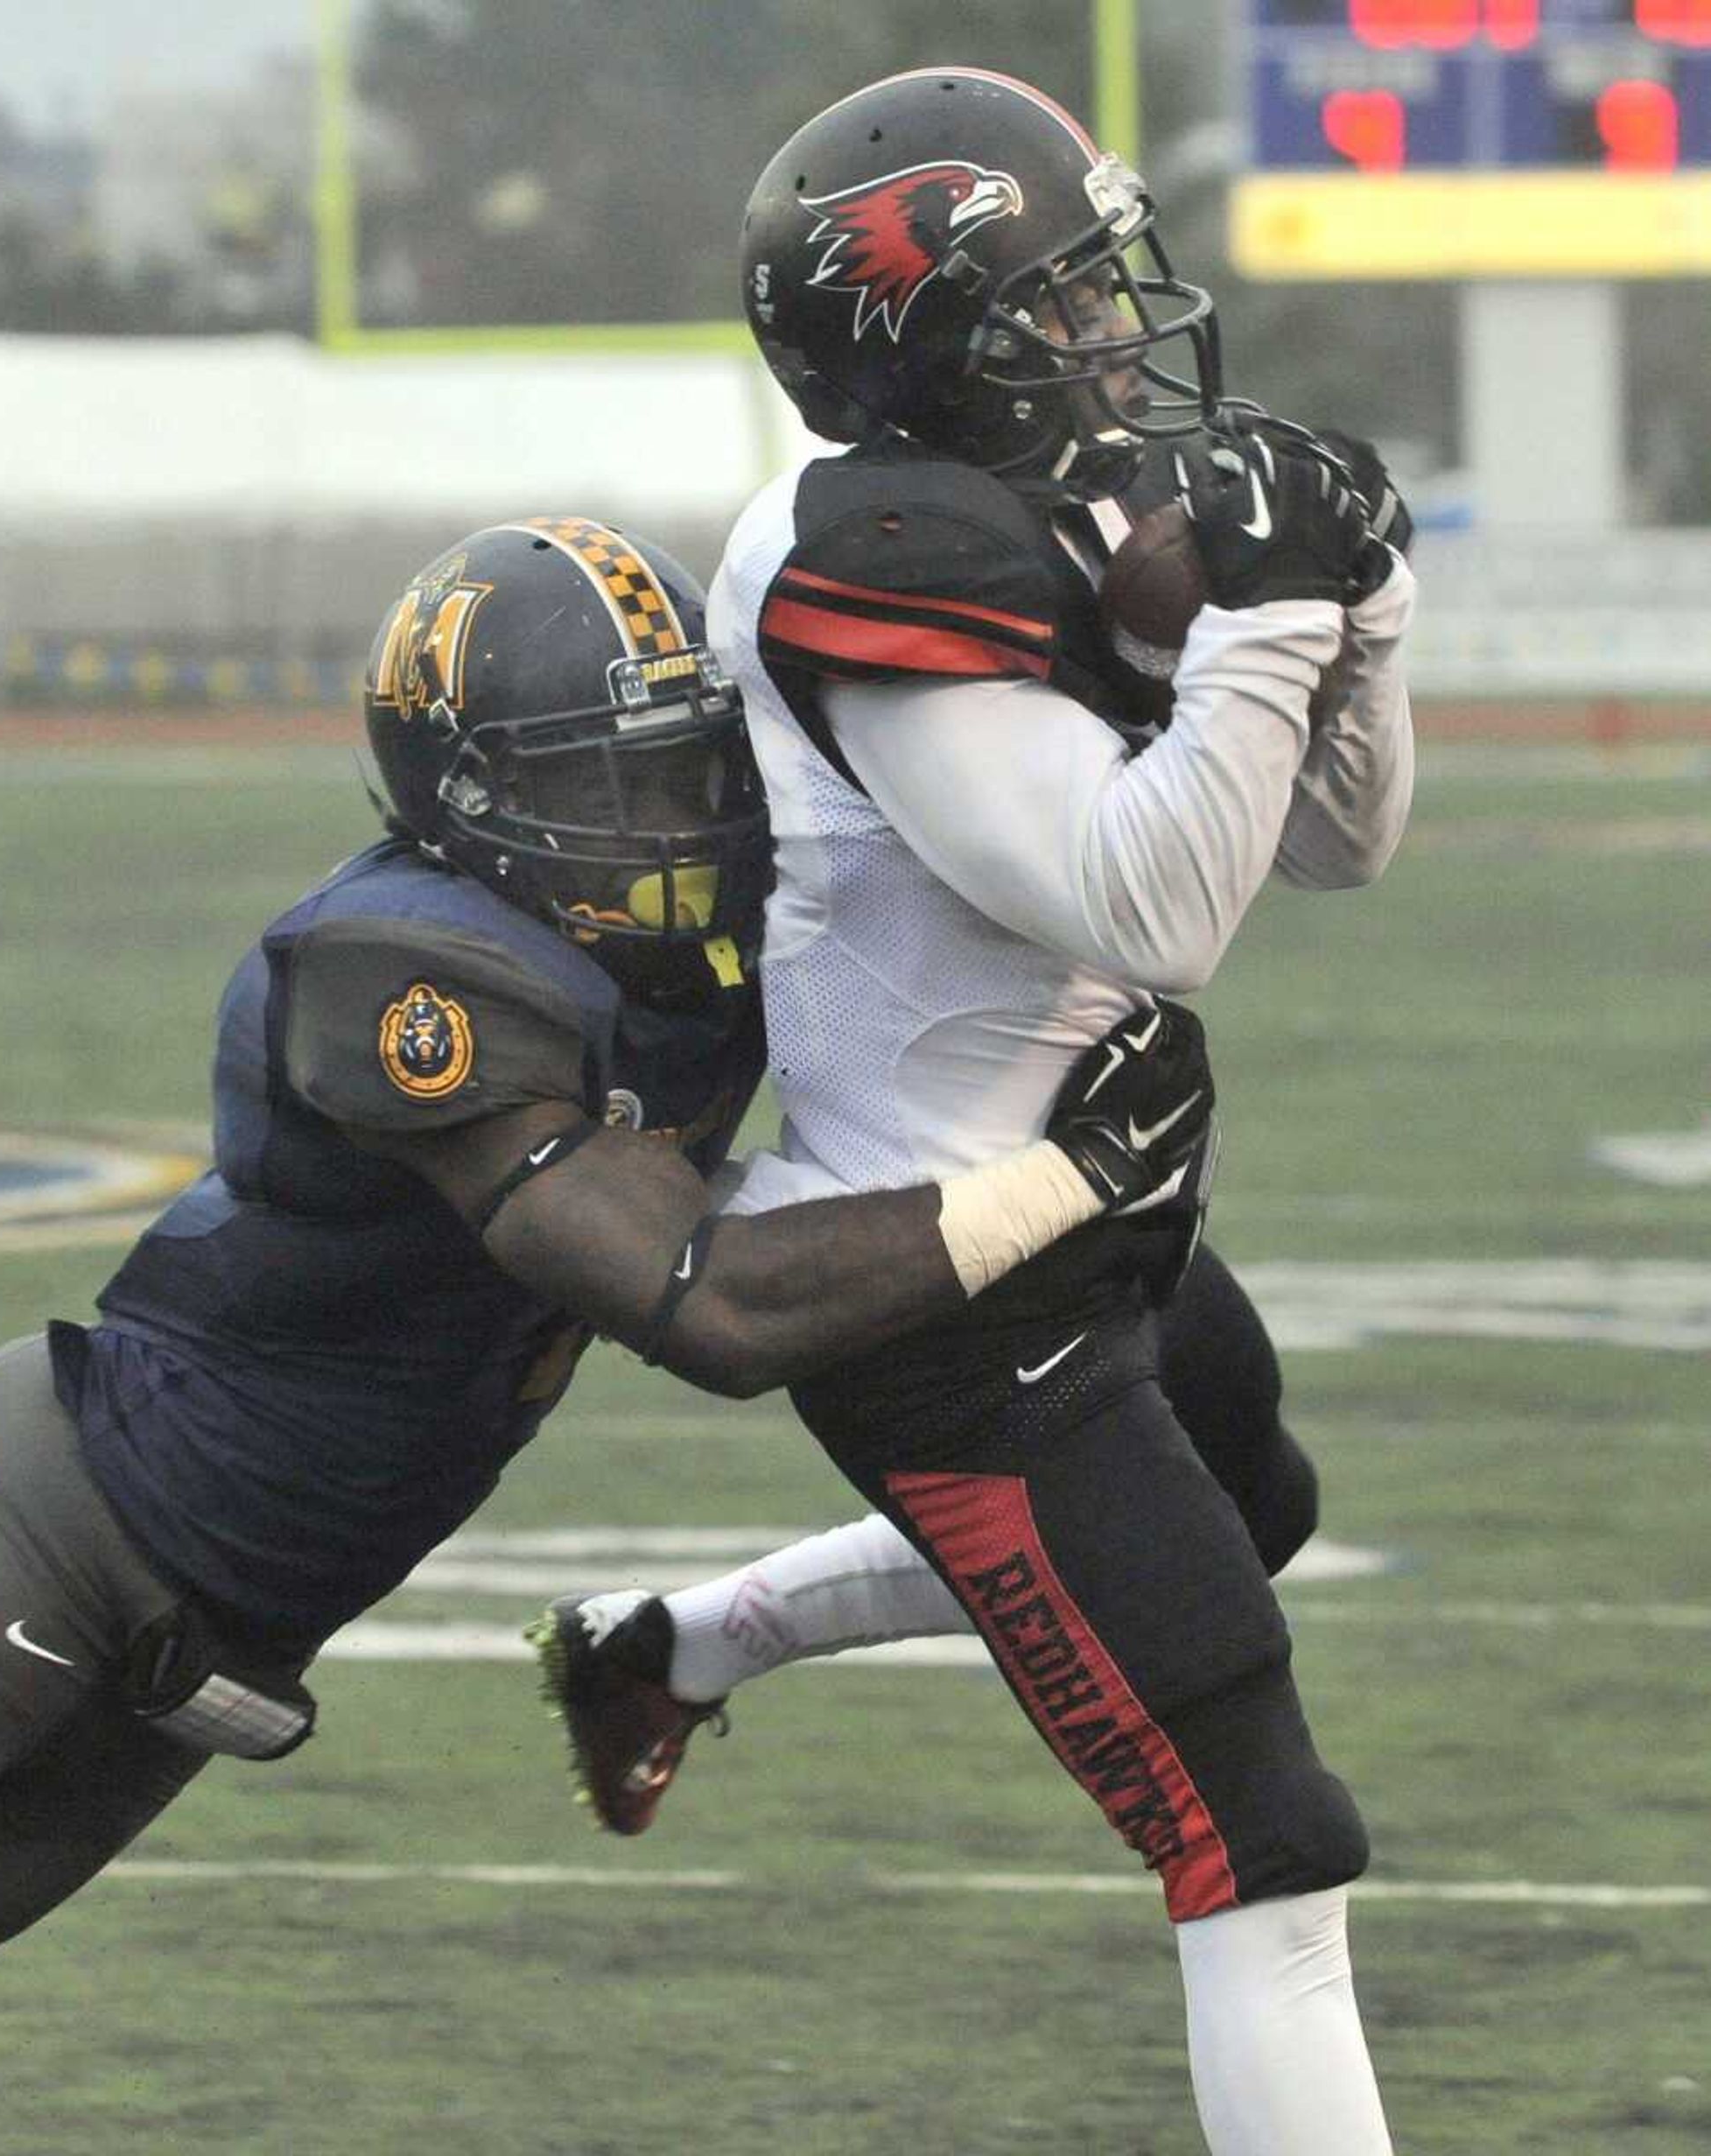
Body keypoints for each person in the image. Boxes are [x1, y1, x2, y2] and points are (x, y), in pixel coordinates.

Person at [0, 510, 1217, 1978]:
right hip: (49, 1530)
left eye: (687, 770)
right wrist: (1075, 1175)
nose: (676, 824)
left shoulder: (681, 960)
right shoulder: (406, 970)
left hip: (228, 1626)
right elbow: (707, 1306)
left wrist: (1181, 613)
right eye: (615, 783)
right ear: (468, 798)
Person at [531, 69, 1415, 2156]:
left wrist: (1363, 620)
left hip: (1092, 1208)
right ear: (937, 347)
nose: (1116, 333)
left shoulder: (1044, 507)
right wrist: (1279, 619)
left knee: (1248, 1505)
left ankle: (667, 1641)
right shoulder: (877, 557)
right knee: (1260, 1840)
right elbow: (1152, 903)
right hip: (934, 1295)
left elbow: (1336, 848)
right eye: (1061, 302)